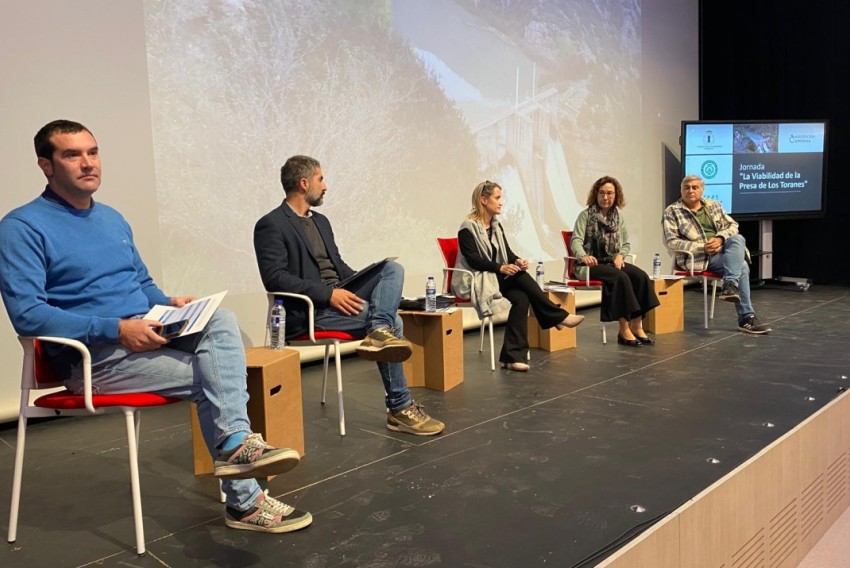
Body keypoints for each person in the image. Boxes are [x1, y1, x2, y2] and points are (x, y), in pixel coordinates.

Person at [0, 120, 312, 535]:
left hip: (146, 331)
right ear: (46, 165)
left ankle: (236, 445)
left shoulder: (112, 219)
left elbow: (141, 285)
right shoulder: (21, 227)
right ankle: (245, 501)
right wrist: (115, 329)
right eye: (72, 155)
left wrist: (169, 302)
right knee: (212, 378)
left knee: (221, 319)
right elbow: (27, 314)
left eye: (92, 152)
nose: (87, 163)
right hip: (95, 359)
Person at [253, 155, 444, 435]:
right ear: (304, 183)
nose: (326, 186)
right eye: (321, 179)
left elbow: (339, 267)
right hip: (310, 311)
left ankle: (379, 328)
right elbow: (275, 277)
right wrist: (329, 294)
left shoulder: (321, 221)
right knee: (396, 324)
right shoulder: (271, 224)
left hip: (339, 295)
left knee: (392, 268)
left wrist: (372, 285)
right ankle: (399, 408)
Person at [455, 181, 585, 372]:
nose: (501, 202)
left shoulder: (496, 226)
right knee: (520, 277)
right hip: (475, 279)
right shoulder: (467, 227)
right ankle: (557, 317)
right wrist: (502, 268)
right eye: (497, 198)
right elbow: (474, 261)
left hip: (494, 276)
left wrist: (517, 261)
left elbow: (507, 253)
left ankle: (511, 358)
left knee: (521, 298)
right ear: (483, 200)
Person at [663, 174, 772, 334]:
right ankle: (745, 315)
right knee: (741, 266)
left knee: (737, 238)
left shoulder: (714, 205)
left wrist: (720, 239)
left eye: (695, 187)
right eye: (687, 187)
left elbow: (733, 225)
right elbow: (672, 241)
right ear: (681, 190)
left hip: (723, 251)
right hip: (698, 257)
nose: (691, 190)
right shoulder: (672, 211)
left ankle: (730, 288)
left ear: (702, 190)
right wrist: (703, 247)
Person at [571, 176, 660, 347]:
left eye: (610, 193)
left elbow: (626, 244)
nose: (606, 197)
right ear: (596, 195)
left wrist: (621, 255)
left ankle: (637, 324)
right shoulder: (585, 216)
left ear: (616, 195)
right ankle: (623, 328)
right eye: (602, 193)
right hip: (589, 265)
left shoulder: (618, 217)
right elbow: (576, 240)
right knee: (620, 278)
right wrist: (583, 256)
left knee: (640, 276)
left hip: (611, 263)